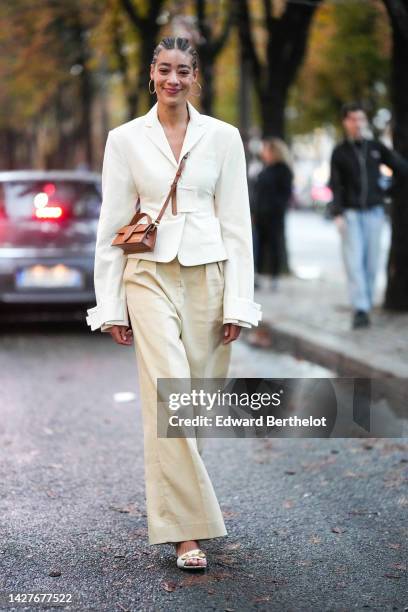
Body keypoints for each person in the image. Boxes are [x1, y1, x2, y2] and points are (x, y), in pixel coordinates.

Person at [85, 36, 262, 570]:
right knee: (169, 396)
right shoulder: (125, 139)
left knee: (195, 405)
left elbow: (237, 225)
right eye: (164, 69)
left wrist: (239, 302)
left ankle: (187, 515)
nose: (173, 79)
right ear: (151, 73)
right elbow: (112, 222)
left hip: (209, 276)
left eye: (183, 70)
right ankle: (187, 535)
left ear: (195, 77)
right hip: (148, 275)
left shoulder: (224, 137)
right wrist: (110, 304)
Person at [329, 102, 408, 329]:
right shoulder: (340, 152)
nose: (358, 124)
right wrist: (338, 213)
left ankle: (367, 304)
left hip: (374, 212)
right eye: (353, 119)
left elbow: (401, 168)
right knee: (354, 263)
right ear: (345, 122)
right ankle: (361, 309)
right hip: (351, 214)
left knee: (371, 262)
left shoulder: (375, 147)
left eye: (361, 119)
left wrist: (386, 192)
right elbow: (335, 184)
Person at [252, 138, 293, 289]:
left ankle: (274, 277)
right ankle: (259, 275)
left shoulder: (284, 170)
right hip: (260, 215)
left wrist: (274, 208)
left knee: (274, 245)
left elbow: (285, 194)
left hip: (274, 215)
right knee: (259, 246)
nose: (263, 153)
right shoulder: (264, 169)